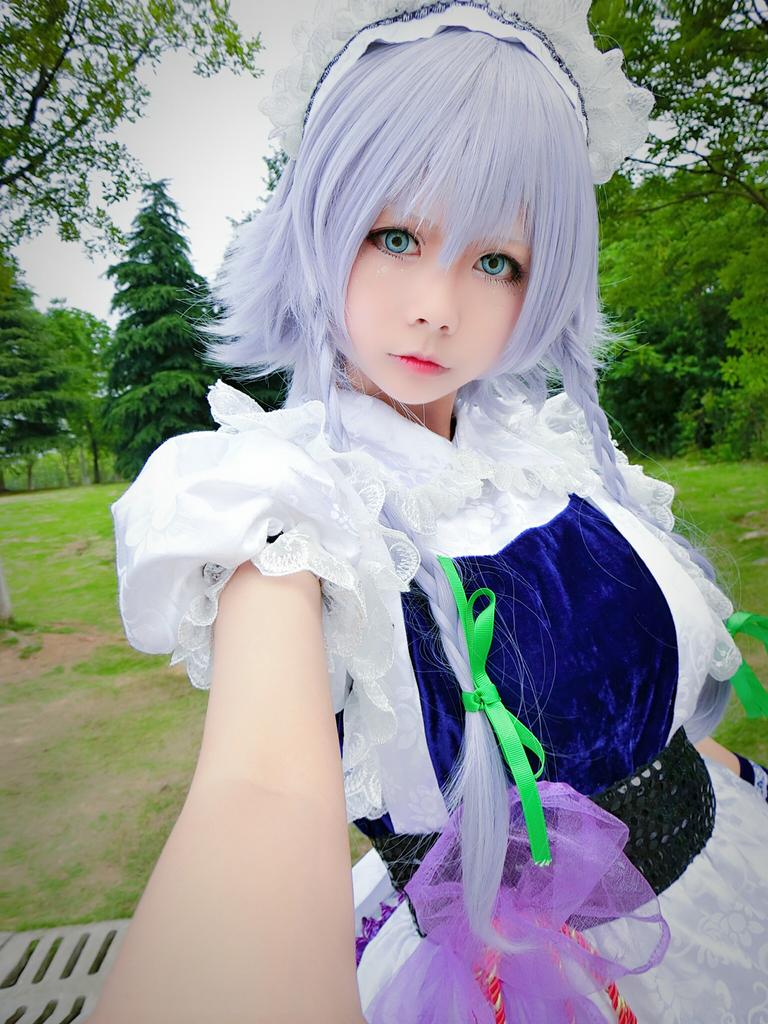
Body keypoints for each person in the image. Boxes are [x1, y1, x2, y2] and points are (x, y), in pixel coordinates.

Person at [93, 2, 768, 1021]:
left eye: (497, 261)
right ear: (321, 221)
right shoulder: (289, 505)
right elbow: (258, 795)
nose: (437, 308)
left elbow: (632, 710)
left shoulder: (547, 454)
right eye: (396, 235)